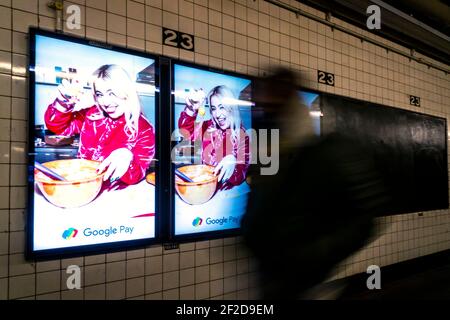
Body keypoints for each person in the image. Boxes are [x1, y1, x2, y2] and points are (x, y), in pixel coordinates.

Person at [241, 68, 391, 299]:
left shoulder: (332, 152)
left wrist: (312, 257)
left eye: (273, 104)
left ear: (290, 102)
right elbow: (260, 209)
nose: (264, 113)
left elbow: (367, 218)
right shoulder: (270, 154)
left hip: (310, 284)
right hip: (273, 281)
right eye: (262, 106)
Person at [44, 64, 155, 185]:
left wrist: (128, 157)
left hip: (116, 194)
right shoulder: (92, 114)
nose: (105, 102)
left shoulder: (144, 128)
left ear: (127, 92)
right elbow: (59, 127)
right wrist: (63, 103)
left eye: (112, 93)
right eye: (100, 94)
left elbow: (137, 175)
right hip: (83, 185)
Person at [178, 85, 250, 189]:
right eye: (214, 108)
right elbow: (185, 131)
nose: (218, 114)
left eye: (222, 107)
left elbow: (241, 174)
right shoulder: (207, 127)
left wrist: (233, 163)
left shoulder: (242, 136)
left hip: (226, 195)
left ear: (231, 108)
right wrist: (190, 108)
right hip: (205, 187)